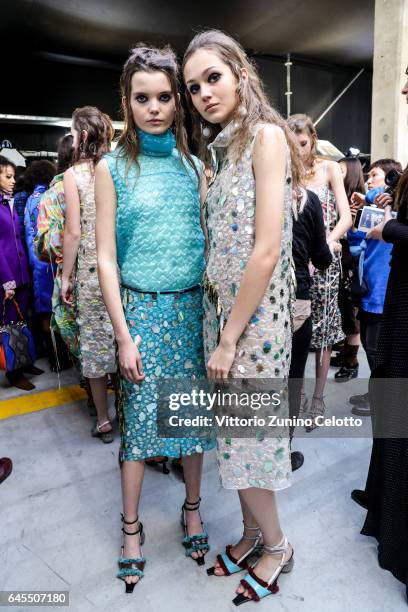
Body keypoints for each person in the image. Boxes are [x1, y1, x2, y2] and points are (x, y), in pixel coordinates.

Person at [183, 30, 304, 605]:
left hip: (252, 326)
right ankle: (253, 533)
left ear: (240, 73)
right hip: (223, 318)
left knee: (249, 436)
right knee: (233, 436)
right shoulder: (220, 149)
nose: (204, 93)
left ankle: (278, 544)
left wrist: (230, 337)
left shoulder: (266, 137)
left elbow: (266, 249)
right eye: (194, 87)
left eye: (213, 77)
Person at [95, 45, 216, 592]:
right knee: (140, 433)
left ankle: (192, 510)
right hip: (140, 312)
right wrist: (123, 334)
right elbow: (104, 257)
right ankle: (130, 531)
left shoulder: (196, 167)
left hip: (193, 311)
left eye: (165, 97)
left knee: (190, 424)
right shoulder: (110, 168)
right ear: (127, 101)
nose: (155, 108)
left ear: (178, 101)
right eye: (142, 98)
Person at [354, 67, 408, 602]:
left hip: (405, 315)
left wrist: (388, 228)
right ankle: (382, 505)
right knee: (390, 413)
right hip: (398, 311)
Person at [288, 115, 351, 429]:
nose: (298, 150)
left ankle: (318, 398)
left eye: (302, 142)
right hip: (294, 266)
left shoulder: (327, 169)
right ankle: (296, 393)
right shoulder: (284, 172)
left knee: (323, 332)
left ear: (312, 139)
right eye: (292, 143)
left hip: (324, 262)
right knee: (294, 332)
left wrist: (326, 242)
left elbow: (345, 217)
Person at [61, 107, 117, 442]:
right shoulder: (121, 169)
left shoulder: (74, 175)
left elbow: (72, 232)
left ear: (81, 136)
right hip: (123, 269)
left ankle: (103, 420)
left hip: (93, 274)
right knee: (124, 341)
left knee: (95, 347)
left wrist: (66, 277)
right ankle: (129, 410)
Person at [348, 158, 403, 416]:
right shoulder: (378, 210)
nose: (369, 180)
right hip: (369, 288)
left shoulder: (390, 206)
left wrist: (369, 195)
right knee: (372, 347)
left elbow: (379, 195)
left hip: (381, 291)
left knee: (375, 348)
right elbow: (359, 235)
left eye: (375, 175)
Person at [289, 188, 332, 470]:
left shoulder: (242, 188)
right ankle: (283, 450)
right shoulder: (306, 198)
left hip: (250, 301)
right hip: (295, 297)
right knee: (292, 378)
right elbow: (321, 258)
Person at [0, 156, 40, 391]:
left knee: (23, 319)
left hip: (21, 273)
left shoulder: (9, 203)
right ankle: (14, 372)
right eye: (8, 176)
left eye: (14, 176)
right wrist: (6, 281)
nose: (14, 181)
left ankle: (25, 363)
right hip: (7, 276)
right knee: (9, 324)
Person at [332, 156, 366, 382]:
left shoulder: (357, 203)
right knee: (344, 308)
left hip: (352, 262)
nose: (337, 173)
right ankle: (346, 352)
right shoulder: (341, 197)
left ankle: (351, 361)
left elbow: (357, 236)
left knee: (351, 312)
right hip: (343, 259)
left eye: (341, 170)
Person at [24, 160, 58, 368]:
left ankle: (53, 358)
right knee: (58, 310)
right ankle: (61, 357)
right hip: (52, 262)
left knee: (44, 311)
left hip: (36, 263)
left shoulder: (29, 200)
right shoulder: (52, 197)